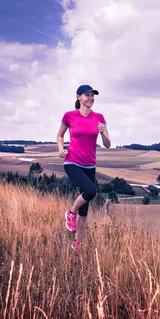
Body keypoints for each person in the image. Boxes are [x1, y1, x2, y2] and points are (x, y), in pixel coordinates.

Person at [57, 84, 111, 250]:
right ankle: (71, 213)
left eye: (92, 96)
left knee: (85, 208)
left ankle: (77, 242)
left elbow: (108, 145)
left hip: (90, 164)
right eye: (87, 95)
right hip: (72, 161)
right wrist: (61, 149)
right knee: (91, 191)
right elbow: (60, 134)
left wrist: (103, 133)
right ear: (78, 97)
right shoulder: (69, 116)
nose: (90, 98)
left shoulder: (99, 117)